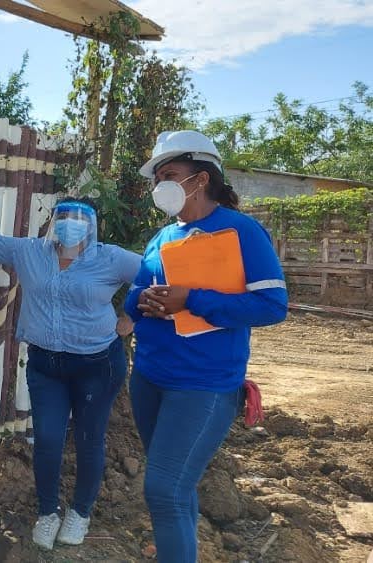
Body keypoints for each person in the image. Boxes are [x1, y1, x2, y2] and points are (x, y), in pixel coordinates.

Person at [0, 198, 141, 550]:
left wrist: (131, 317)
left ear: (92, 224)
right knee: (46, 438)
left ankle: (80, 513)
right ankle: (47, 513)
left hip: (97, 365)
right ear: (54, 221)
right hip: (47, 367)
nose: (69, 224)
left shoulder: (110, 258)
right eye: (63, 216)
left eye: (77, 218)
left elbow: (154, 275)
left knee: (89, 438)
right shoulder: (30, 252)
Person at [124, 131, 288, 562]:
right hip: (149, 379)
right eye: (157, 177)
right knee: (176, 488)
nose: (160, 184)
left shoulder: (241, 231)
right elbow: (135, 295)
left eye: (169, 174)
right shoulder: (162, 238)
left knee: (164, 490)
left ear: (200, 179)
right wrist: (143, 301)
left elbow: (272, 305)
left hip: (203, 386)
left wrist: (191, 299)